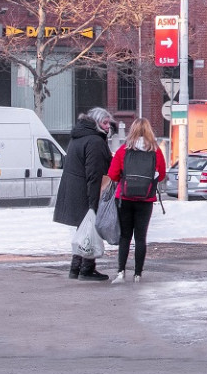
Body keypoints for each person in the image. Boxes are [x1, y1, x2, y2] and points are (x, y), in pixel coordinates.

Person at [52, 107, 116, 281]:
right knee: (89, 229)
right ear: (96, 122)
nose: (108, 126)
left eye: (108, 123)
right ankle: (86, 269)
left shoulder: (78, 137)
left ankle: (76, 268)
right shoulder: (95, 141)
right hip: (86, 193)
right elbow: (94, 175)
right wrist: (93, 204)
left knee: (83, 231)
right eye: (104, 123)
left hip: (74, 191)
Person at [105, 118, 167, 282]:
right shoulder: (155, 151)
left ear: (132, 130)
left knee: (125, 236)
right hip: (146, 199)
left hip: (124, 198)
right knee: (140, 237)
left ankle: (121, 272)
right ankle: (138, 274)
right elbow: (161, 175)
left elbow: (112, 174)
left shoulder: (123, 150)